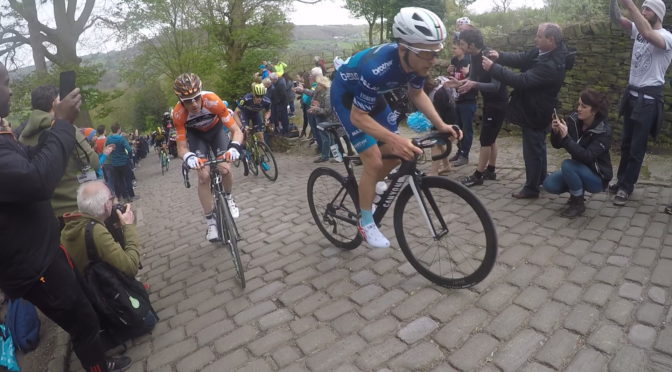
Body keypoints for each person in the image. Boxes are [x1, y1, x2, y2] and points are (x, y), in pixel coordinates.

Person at [0, 62, 130, 372]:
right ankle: (99, 366)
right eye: (5, 82)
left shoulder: (7, 131)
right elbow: (38, 180)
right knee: (81, 318)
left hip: (41, 247)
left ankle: (100, 354)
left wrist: (57, 131)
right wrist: (62, 125)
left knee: (80, 305)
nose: (11, 88)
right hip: (31, 263)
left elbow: (30, 160)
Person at [331, 7, 461, 248]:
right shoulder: (376, 68)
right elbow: (359, 117)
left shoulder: (416, 63)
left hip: (372, 96)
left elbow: (417, 93)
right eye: (427, 54)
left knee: (398, 155)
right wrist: (396, 139)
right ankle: (365, 222)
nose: (433, 61)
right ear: (404, 49)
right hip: (347, 98)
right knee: (374, 160)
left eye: (436, 53)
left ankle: (368, 186)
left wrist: (441, 124)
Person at [61, 180, 156, 345]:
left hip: (90, 296)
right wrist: (128, 227)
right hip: (106, 297)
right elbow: (130, 267)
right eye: (112, 199)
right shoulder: (96, 231)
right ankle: (114, 335)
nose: (114, 202)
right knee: (149, 320)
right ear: (106, 206)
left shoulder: (71, 225)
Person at [483, 23, 569, 199]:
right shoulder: (544, 52)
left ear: (550, 40)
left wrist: (493, 68)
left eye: (539, 36)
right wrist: (500, 56)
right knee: (537, 147)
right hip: (535, 107)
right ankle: (541, 179)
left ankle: (531, 188)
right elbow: (522, 58)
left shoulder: (551, 65)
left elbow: (522, 80)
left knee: (532, 150)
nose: (535, 39)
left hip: (537, 111)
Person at [609, 0, 672, 206]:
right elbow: (617, 19)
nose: (643, 12)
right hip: (632, 96)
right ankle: (620, 181)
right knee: (626, 143)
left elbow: (647, 34)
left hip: (649, 100)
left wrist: (630, 3)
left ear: (658, 14)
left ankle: (627, 187)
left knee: (637, 146)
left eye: (648, 9)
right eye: (642, 8)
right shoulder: (638, 27)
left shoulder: (667, 37)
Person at [171, 73, 244, 242]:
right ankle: (211, 222)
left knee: (224, 168)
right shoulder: (178, 113)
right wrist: (188, 157)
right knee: (203, 176)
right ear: (181, 100)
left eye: (196, 98)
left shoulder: (212, 100)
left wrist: (234, 147)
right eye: (188, 101)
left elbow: (236, 131)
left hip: (216, 131)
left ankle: (228, 197)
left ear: (201, 94)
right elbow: (181, 148)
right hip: (197, 137)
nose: (194, 104)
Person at [19, 84, 101, 222]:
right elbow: (94, 162)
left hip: (47, 218)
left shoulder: (22, 137)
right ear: (54, 104)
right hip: (78, 210)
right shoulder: (66, 129)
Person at [543, 89, 613, 217]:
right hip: (577, 168)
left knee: (567, 165)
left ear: (594, 111)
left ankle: (578, 203)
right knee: (549, 184)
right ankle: (576, 191)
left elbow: (587, 156)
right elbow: (557, 145)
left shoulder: (604, 132)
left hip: (597, 177)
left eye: (583, 106)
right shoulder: (574, 121)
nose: (579, 109)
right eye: (578, 104)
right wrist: (556, 132)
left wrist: (566, 138)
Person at [456, 28, 509, 187]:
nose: (461, 47)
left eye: (463, 44)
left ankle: (478, 175)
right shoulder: (473, 57)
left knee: (485, 139)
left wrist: (474, 84)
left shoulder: (489, 56)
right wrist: (458, 83)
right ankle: (491, 171)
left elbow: (495, 86)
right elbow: (471, 78)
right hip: (489, 102)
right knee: (490, 138)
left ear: (471, 44)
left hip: (498, 103)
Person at [448, 38, 476, 167]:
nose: (452, 50)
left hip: (468, 99)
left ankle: (465, 155)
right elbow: (454, 77)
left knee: (467, 128)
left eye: (454, 48)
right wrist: (449, 72)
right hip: (456, 98)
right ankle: (459, 152)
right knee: (457, 127)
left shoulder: (470, 60)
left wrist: (469, 72)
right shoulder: (454, 61)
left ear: (461, 48)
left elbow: (476, 78)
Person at [310, 75, 339, 163]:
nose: (316, 86)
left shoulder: (327, 94)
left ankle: (328, 156)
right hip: (321, 118)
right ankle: (333, 156)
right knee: (329, 138)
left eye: (318, 84)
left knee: (327, 138)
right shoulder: (320, 92)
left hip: (326, 119)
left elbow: (327, 110)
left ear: (322, 85)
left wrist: (316, 109)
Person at [106, 123, 135, 203]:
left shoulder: (108, 139)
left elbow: (107, 148)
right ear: (119, 129)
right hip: (124, 162)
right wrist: (128, 156)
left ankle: (125, 197)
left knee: (120, 181)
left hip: (114, 163)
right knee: (128, 179)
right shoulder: (121, 139)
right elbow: (129, 149)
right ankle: (131, 196)